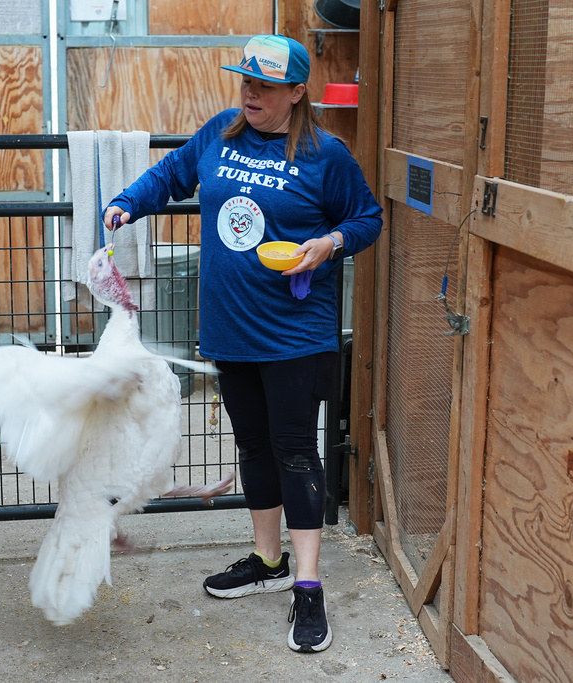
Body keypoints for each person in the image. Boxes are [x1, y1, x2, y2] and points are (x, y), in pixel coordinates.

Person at [104, 33, 382, 653]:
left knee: (294, 452)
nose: (250, 93)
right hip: (229, 328)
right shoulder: (221, 132)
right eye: (245, 82)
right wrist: (128, 203)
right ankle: (267, 559)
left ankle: (308, 585)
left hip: (292, 332)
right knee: (253, 445)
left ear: (297, 92)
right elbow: (171, 174)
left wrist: (327, 243)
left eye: (264, 86)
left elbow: (366, 218)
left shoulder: (324, 154)